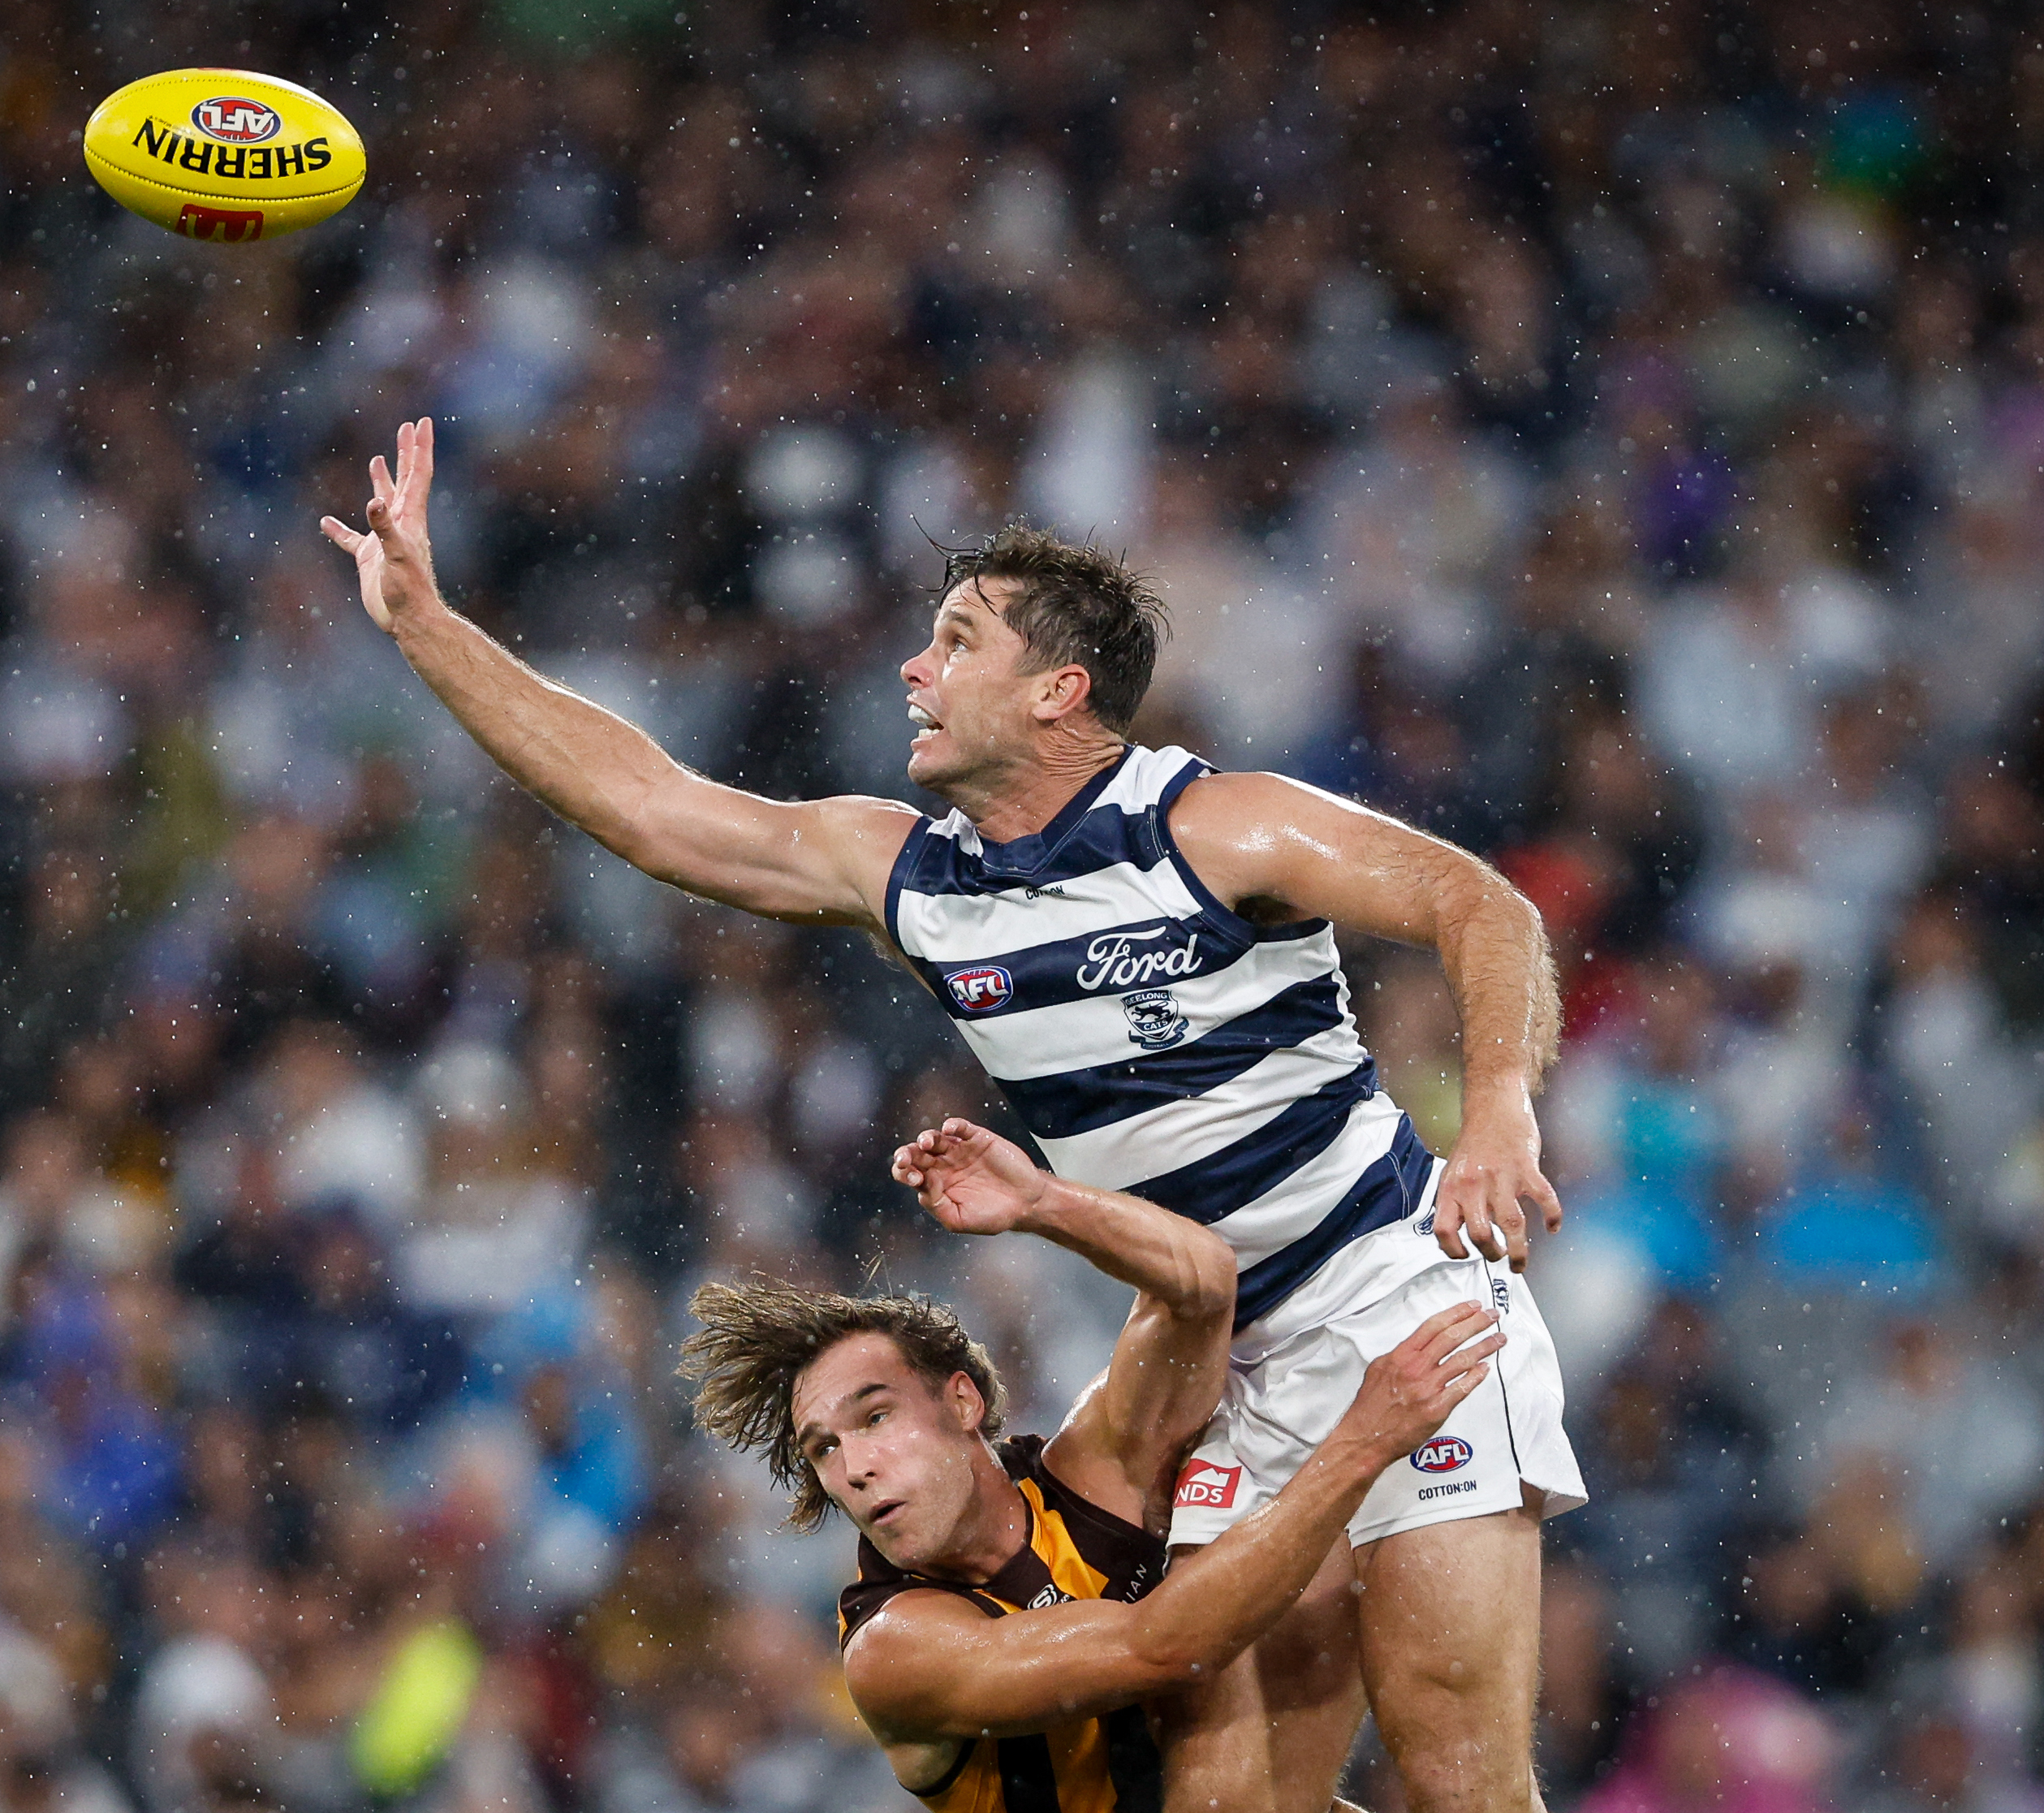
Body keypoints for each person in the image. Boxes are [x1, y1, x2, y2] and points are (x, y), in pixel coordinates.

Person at [323, 419, 1588, 1813]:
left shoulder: (1218, 826)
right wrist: (430, 629)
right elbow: (653, 810)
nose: (914, 670)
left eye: (955, 642)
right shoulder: (918, 880)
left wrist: (1498, 1115)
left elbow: (1483, 903)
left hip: (1399, 1295)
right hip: (1209, 1354)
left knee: (1457, 1770)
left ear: (1060, 689)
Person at [680, 1112, 1503, 1812]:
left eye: (875, 1415)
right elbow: (1166, 1646)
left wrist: (1042, 1201)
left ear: (962, 1403)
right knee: (1221, 1595)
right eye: (824, 1448)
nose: (853, 1465)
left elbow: (1202, 1282)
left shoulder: (1095, 1470)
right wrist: (1359, 1442)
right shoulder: (895, 1646)